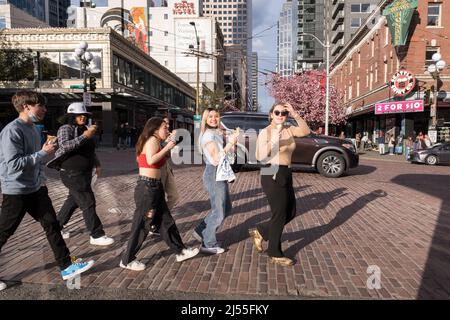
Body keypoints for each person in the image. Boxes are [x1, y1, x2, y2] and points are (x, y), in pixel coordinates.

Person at [0, 91, 94, 291]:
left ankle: (67, 266)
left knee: (52, 225)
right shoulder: (12, 131)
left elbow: (36, 159)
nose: (44, 109)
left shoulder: (34, 128)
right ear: (26, 106)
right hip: (16, 191)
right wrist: (42, 153)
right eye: (40, 105)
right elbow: (12, 165)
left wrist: (43, 161)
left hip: (36, 189)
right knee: (4, 232)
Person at [120, 117, 199, 271]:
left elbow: (160, 159)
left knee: (166, 221)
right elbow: (151, 160)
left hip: (154, 187)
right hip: (147, 188)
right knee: (142, 225)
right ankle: (127, 259)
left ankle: (180, 251)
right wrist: (167, 146)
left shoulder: (156, 141)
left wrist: (168, 145)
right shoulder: (151, 140)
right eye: (164, 127)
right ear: (155, 129)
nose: (167, 129)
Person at [249, 102, 310, 267]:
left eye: (284, 113)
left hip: (286, 173)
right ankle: (274, 252)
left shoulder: (289, 129)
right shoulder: (266, 132)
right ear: (271, 114)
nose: (281, 115)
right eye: (277, 112)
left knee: (291, 212)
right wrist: (274, 139)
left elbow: (306, 131)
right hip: (271, 172)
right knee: (279, 214)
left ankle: (261, 231)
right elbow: (260, 156)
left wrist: (295, 114)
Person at [48, 102, 114, 246]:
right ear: (72, 116)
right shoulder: (66, 128)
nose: (82, 117)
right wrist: (85, 136)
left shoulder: (84, 129)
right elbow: (65, 145)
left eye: (84, 115)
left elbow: (90, 151)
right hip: (71, 173)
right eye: (79, 115)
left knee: (72, 201)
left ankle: (56, 227)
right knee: (88, 202)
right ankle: (96, 234)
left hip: (83, 172)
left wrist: (97, 164)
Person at [192, 108, 240, 255]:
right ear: (205, 119)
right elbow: (215, 159)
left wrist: (231, 142)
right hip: (213, 173)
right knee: (219, 212)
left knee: (226, 208)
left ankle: (201, 231)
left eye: (216, 116)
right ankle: (208, 243)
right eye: (210, 117)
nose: (213, 119)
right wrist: (230, 143)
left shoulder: (215, 133)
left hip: (219, 174)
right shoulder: (207, 136)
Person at [149, 117, 180, 237]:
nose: (167, 126)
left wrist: (172, 143)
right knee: (157, 198)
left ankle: (157, 220)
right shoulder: (153, 139)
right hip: (157, 170)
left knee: (174, 196)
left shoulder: (167, 136)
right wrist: (167, 143)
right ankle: (154, 223)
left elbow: (168, 155)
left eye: (167, 124)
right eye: (164, 124)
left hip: (166, 167)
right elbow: (153, 157)